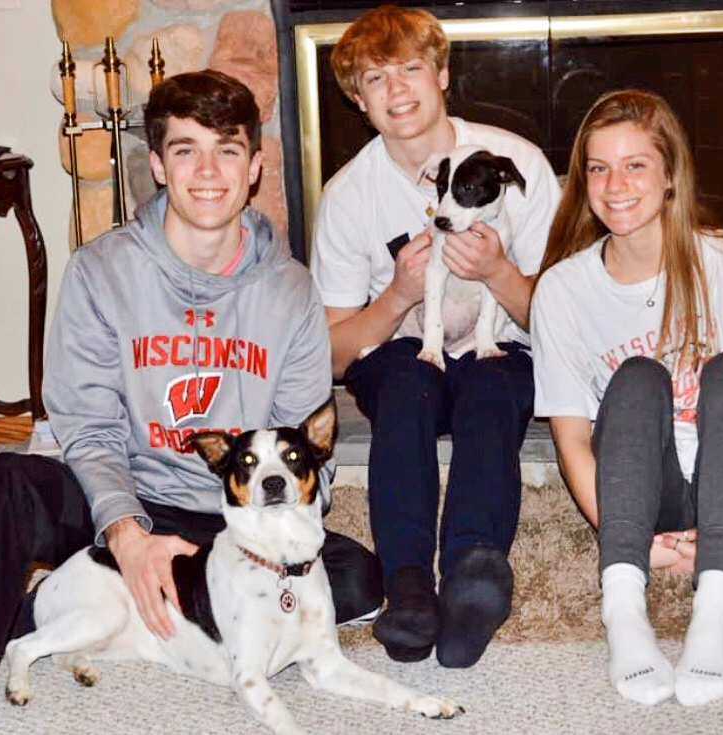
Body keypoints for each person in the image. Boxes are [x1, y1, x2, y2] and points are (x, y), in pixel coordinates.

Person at [0, 69, 383, 735]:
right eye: (186, 150)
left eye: (228, 149)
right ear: (157, 164)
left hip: (228, 524)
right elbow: (88, 426)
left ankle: (75, 602)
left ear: (256, 167)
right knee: (6, 481)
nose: (208, 171)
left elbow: (308, 451)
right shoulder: (103, 270)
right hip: (121, 496)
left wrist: (258, 553)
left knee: (359, 579)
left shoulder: (290, 290)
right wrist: (127, 533)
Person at [530, 89, 723, 707]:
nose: (615, 185)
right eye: (598, 168)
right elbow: (573, 440)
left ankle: (716, 610)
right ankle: (623, 609)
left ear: (670, 176)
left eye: (636, 164)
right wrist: (628, 539)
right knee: (635, 377)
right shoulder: (561, 290)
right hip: (645, 493)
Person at [310, 5, 561, 668]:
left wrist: (499, 271)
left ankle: (476, 575)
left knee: (490, 382)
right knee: (406, 385)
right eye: (374, 79)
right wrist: (396, 295)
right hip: (403, 353)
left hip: (497, 340)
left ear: (443, 74)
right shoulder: (348, 195)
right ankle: (409, 586)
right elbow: (332, 355)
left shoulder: (518, 165)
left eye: (410, 69)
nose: (396, 89)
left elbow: (564, 323)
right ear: (357, 101)